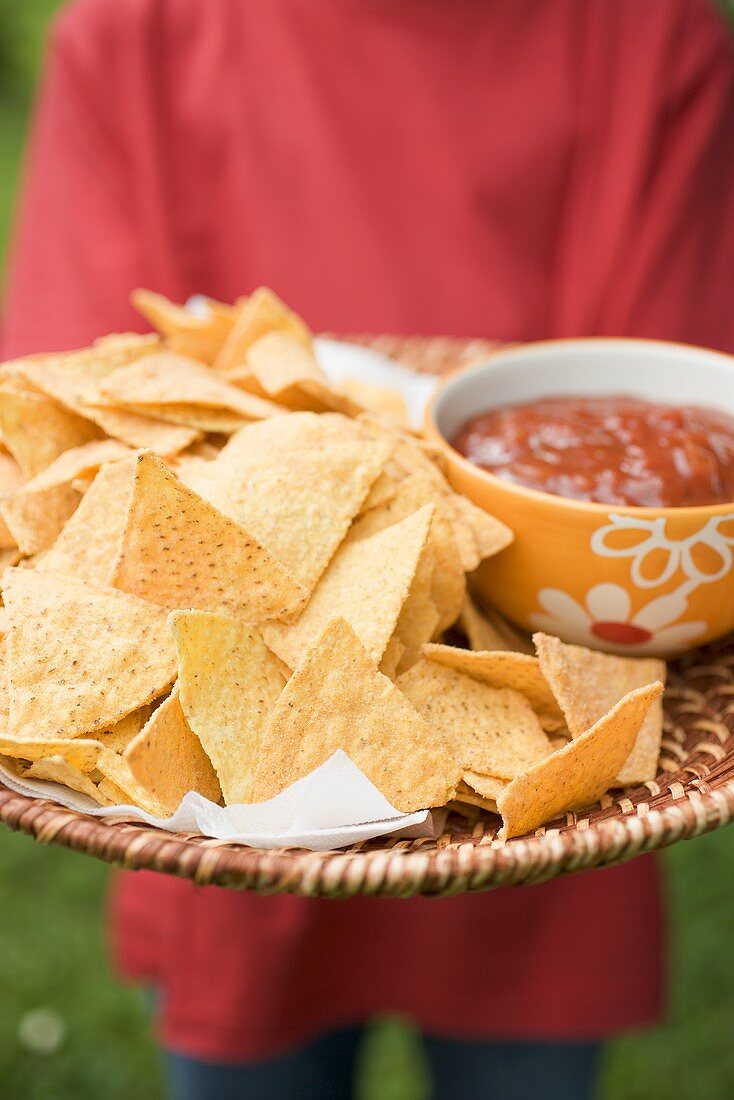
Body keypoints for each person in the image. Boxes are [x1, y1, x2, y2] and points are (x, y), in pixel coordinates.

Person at [3, 2, 734, 1097]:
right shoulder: (135, 36)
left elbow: (654, 386)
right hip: (214, 787)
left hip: (540, 766)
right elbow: (63, 423)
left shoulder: (647, 37)